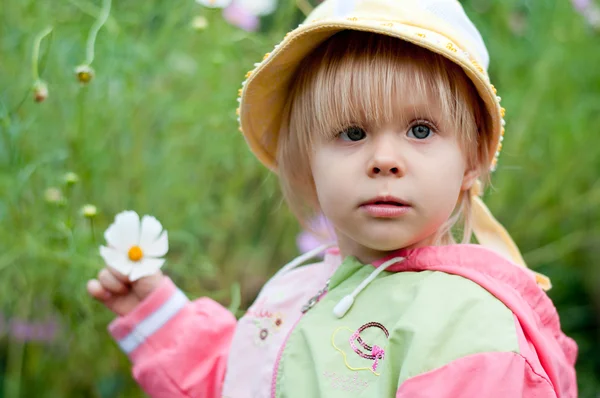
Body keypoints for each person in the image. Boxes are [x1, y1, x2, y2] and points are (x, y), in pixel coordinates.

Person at [86, 0, 578, 396]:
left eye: (421, 129)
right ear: (306, 164)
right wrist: (162, 317)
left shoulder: (468, 325)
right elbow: (245, 380)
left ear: (472, 159)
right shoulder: (301, 292)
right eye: (352, 132)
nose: (385, 159)